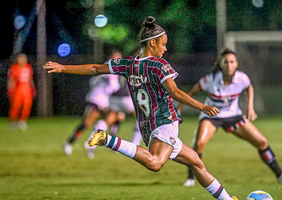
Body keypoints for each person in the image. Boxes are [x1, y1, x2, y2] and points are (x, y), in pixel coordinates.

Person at [44, 16, 238, 200]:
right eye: (163, 43)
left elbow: (95, 69)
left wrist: (63, 67)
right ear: (152, 43)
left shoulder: (128, 64)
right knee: (155, 163)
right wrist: (202, 106)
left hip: (149, 127)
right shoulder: (158, 65)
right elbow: (174, 92)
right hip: (164, 122)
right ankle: (108, 139)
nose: (165, 47)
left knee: (196, 163)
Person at [178, 47, 282, 187]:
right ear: (220, 64)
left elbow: (249, 87)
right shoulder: (209, 80)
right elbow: (190, 93)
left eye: (232, 62)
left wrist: (249, 107)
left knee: (261, 142)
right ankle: (191, 178)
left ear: (236, 64)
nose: (229, 65)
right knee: (199, 144)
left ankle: (280, 174)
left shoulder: (241, 78)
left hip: (234, 116)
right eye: (226, 62)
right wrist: (179, 108)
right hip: (212, 116)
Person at [63, 51, 122, 156]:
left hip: (102, 99)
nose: (118, 60)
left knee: (117, 117)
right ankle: (70, 142)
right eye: (116, 58)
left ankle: (93, 143)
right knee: (87, 122)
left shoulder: (104, 67)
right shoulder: (111, 68)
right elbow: (114, 86)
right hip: (98, 99)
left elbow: (92, 81)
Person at [84, 75, 142, 159]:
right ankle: (136, 144)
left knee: (107, 120)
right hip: (126, 98)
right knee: (141, 117)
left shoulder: (112, 65)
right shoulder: (130, 65)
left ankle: (91, 142)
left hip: (113, 98)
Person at [7, 53, 36, 131]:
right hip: (18, 89)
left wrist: (33, 88)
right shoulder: (14, 68)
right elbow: (12, 80)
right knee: (16, 105)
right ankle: (13, 120)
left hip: (27, 89)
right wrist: (10, 89)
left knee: (27, 105)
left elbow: (30, 79)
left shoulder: (28, 67)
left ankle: (23, 121)